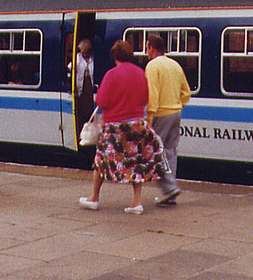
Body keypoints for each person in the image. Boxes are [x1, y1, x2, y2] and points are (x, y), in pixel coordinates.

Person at [79, 40, 165, 215]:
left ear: (114, 56)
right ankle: (136, 203)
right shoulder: (140, 73)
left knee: (101, 161)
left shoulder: (111, 75)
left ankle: (94, 198)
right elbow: (145, 99)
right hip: (136, 124)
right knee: (137, 162)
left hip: (115, 127)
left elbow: (102, 102)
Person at [145, 35, 192, 205]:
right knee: (170, 151)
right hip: (175, 112)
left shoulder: (152, 66)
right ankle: (170, 191)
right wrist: (177, 105)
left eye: (147, 48)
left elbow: (153, 94)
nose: (146, 52)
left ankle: (170, 187)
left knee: (155, 151)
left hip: (160, 113)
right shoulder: (175, 65)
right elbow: (186, 92)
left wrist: (149, 117)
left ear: (152, 48)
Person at [73, 39, 96, 139]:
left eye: (86, 51)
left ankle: (89, 135)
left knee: (90, 112)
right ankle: (81, 135)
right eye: (83, 51)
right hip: (81, 88)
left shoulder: (93, 58)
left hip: (90, 88)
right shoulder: (77, 58)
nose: (85, 53)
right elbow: (71, 68)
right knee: (81, 112)